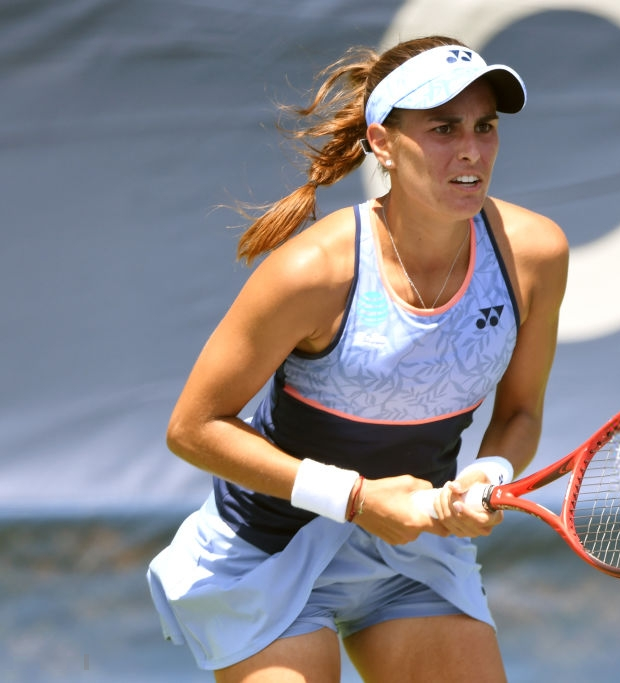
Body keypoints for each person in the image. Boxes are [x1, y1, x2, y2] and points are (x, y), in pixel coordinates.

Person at [147, 35, 568, 682]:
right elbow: (194, 428)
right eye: (443, 128)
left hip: (414, 552)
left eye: (485, 127)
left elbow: (520, 414)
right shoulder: (313, 271)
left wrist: (484, 474)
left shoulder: (534, 254)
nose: (471, 150)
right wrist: (356, 496)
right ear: (381, 144)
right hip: (269, 551)